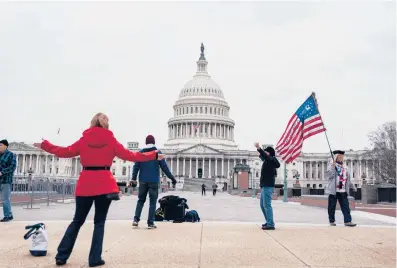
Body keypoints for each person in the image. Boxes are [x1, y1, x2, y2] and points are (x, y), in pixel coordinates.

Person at [34, 113, 165, 267]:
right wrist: (154, 155)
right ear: (106, 125)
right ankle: (94, 259)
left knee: (77, 221)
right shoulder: (111, 140)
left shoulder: (84, 139)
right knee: (99, 223)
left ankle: (62, 256)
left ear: (92, 123)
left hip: (85, 184)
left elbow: (64, 152)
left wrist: (45, 145)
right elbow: (132, 156)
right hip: (104, 185)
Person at [130, 135, 176, 229]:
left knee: (140, 200)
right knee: (152, 202)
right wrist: (172, 178)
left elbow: (136, 167)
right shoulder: (158, 153)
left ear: (146, 142)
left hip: (142, 180)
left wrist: (133, 178)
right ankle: (150, 223)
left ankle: (136, 220)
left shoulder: (140, 153)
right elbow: (165, 168)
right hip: (153, 181)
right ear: (154, 142)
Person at [326, 150, 357, 227]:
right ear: (336, 157)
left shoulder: (345, 167)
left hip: (343, 190)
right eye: (339, 157)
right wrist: (333, 167)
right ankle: (331, 221)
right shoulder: (332, 165)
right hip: (334, 190)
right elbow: (330, 175)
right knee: (332, 207)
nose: (341, 158)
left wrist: (352, 186)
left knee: (346, 206)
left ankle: (348, 221)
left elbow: (348, 179)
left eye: (342, 157)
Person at [255, 142, 280, 230]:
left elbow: (265, 156)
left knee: (267, 205)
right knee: (262, 205)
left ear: (269, 153)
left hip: (268, 186)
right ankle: (269, 222)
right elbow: (263, 157)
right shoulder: (267, 160)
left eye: (266, 152)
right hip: (264, 186)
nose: (264, 153)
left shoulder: (271, 160)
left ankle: (270, 224)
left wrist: (259, 148)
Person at [0, 139, 16, 222]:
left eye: (0, 145)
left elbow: (12, 167)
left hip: (6, 180)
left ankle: (8, 215)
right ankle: (9, 214)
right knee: (4, 199)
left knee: (5, 199)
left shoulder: (11, 155)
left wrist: (2, 172)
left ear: (5, 146)